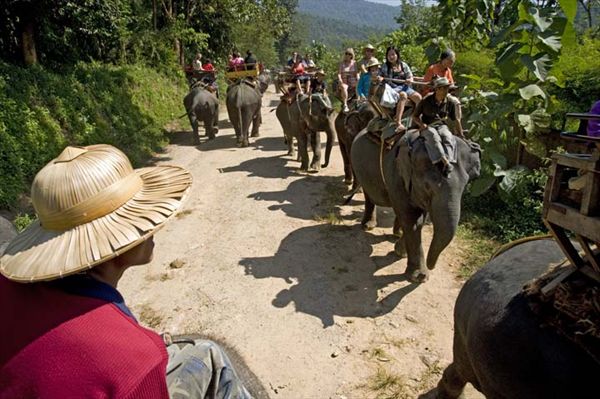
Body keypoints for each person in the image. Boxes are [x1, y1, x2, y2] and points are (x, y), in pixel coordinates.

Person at [0, 144, 252, 398]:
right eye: (142, 216)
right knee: (208, 352)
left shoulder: (6, 285)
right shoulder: (134, 358)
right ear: (114, 241)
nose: (154, 227)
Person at [412, 77, 464, 176]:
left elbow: (456, 120)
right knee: (433, 136)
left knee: (447, 136)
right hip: (428, 126)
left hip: (441, 126)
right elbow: (415, 116)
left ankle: (450, 159)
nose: (445, 91)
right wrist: (421, 124)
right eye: (443, 88)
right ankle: (445, 162)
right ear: (437, 89)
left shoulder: (450, 102)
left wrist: (461, 134)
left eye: (447, 88)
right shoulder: (426, 99)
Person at [378, 46, 422, 132]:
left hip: (405, 87)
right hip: (392, 88)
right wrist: (380, 78)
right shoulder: (384, 66)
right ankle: (398, 122)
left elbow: (410, 76)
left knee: (418, 97)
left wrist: (410, 80)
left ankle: (415, 118)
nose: (391, 57)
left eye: (393, 54)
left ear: (397, 55)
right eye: (389, 55)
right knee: (403, 95)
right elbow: (379, 76)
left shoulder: (403, 65)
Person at [338, 48, 359, 113]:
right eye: (346, 53)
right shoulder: (342, 63)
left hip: (353, 80)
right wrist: (340, 79)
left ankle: (359, 100)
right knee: (344, 87)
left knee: (358, 84)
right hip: (344, 81)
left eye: (349, 54)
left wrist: (358, 77)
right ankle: (345, 104)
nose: (347, 55)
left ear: (352, 55)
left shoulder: (354, 63)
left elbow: (357, 72)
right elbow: (339, 73)